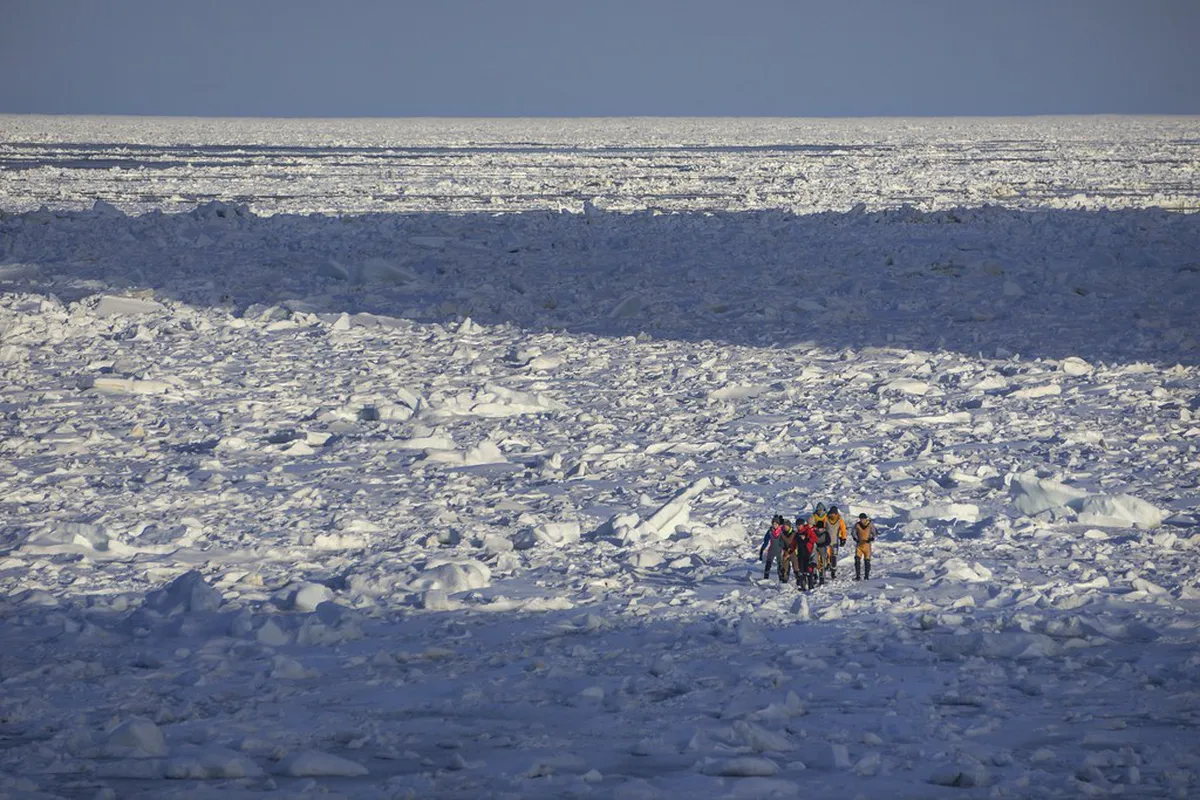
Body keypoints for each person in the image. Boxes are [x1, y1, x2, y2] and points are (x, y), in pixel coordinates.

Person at [808, 503, 833, 584]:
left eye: (821, 528)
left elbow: (828, 541)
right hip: (815, 548)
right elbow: (811, 539)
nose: (820, 530)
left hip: (823, 548)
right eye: (819, 528)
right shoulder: (814, 532)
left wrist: (824, 544)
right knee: (815, 561)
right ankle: (814, 575)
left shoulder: (825, 533)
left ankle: (822, 576)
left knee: (822, 561)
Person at [758, 515, 786, 580]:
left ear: (778, 524)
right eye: (773, 524)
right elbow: (765, 541)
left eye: (776, 524)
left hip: (780, 550)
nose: (774, 525)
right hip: (772, 550)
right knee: (768, 565)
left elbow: (785, 541)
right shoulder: (770, 532)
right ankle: (765, 579)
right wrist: (762, 550)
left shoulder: (782, 531)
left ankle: (781, 580)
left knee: (780, 566)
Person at [853, 513, 878, 581]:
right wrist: (855, 538)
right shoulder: (857, 525)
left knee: (867, 561)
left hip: (867, 545)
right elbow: (854, 533)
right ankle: (858, 576)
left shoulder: (870, 525)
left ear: (866, 519)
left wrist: (872, 538)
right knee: (857, 560)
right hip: (859, 545)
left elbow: (875, 533)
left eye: (863, 519)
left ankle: (866, 576)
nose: (862, 520)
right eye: (861, 519)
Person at [794, 516, 817, 591]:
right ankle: (803, 586)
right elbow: (794, 543)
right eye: (797, 525)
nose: (799, 527)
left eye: (800, 525)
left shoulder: (808, 531)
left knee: (809, 570)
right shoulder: (797, 534)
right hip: (800, 553)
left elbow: (815, 539)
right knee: (801, 571)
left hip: (808, 552)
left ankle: (811, 585)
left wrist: (806, 538)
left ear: (802, 525)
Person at [826, 505, 848, 578]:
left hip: (835, 540)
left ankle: (833, 571)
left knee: (834, 556)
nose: (832, 515)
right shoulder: (826, 519)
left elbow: (843, 530)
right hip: (826, 541)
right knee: (827, 555)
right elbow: (822, 528)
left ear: (836, 514)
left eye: (834, 514)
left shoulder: (839, 520)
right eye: (831, 513)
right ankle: (827, 567)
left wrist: (843, 538)